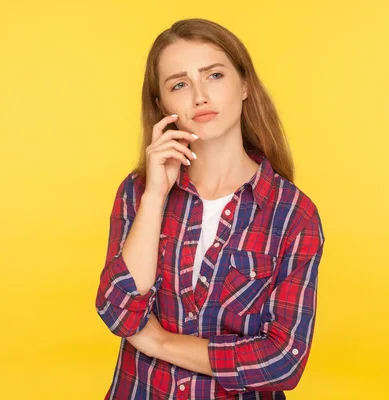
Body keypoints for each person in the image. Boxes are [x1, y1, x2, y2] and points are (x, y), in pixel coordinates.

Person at [95, 18, 325, 400]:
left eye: (214, 75)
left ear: (245, 84)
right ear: (162, 104)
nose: (199, 96)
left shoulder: (292, 214)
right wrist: (155, 195)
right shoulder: (137, 193)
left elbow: (284, 360)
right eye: (179, 85)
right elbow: (119, 313)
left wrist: (160, 343)